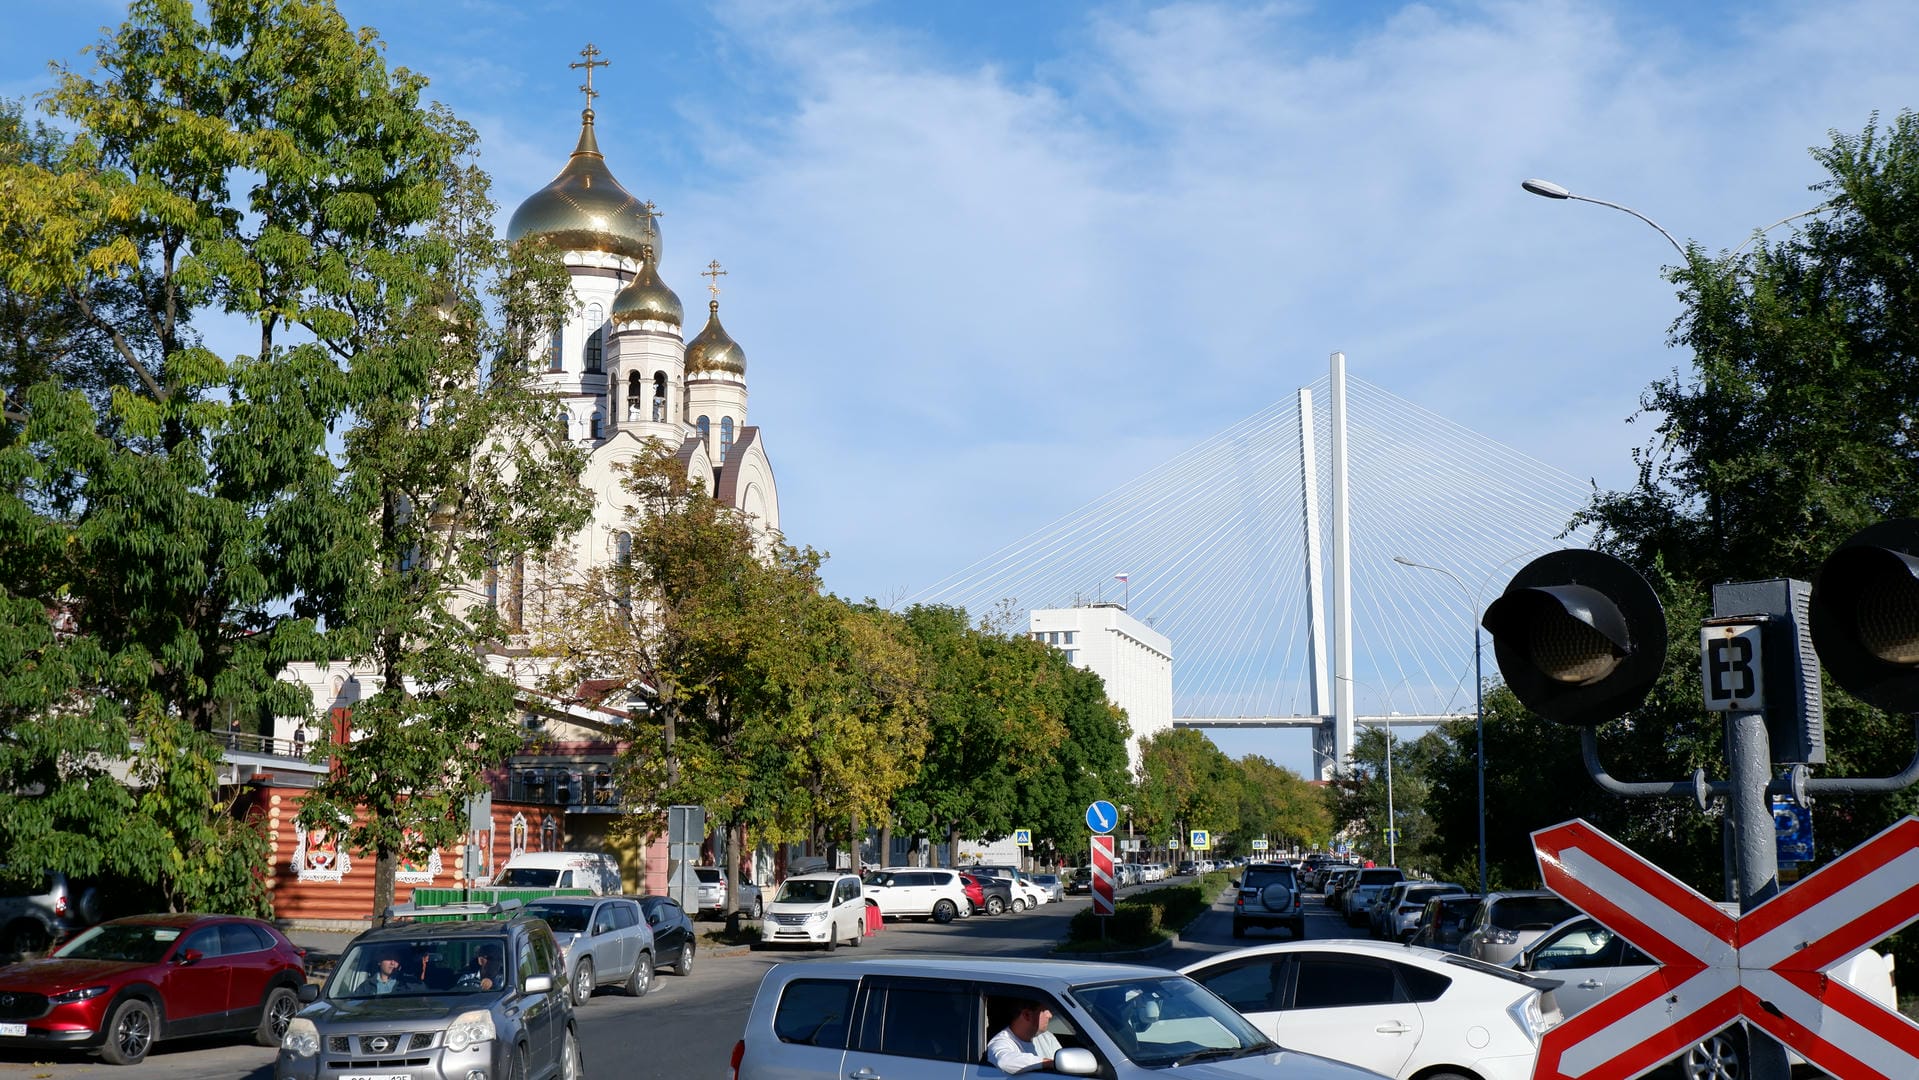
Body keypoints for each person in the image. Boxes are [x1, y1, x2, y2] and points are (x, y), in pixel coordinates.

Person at [987, 1000, 1061, 1074]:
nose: (1050, 1015)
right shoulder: (1001, 1042)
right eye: (1044, 1010)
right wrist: (1048, 1063)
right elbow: (1004, 1062)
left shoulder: (1047, 1037)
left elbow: (1063, 1063)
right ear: (1027, 1015)